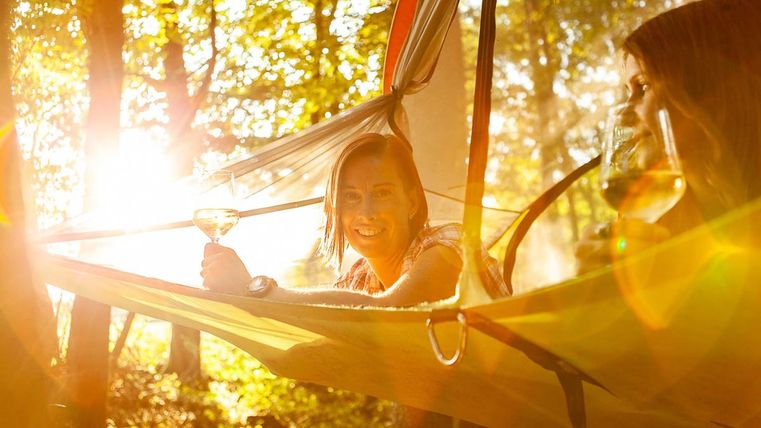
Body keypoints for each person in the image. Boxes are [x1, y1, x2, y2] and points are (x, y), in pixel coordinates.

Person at [201, 132, 509, 306]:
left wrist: (254, 289)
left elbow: (388, 311)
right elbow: (321, 324)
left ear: (412, 201)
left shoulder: (450, 247)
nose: (366, 213)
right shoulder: (360, 278)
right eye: (350, 196)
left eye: (382, 193)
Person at [576, 0, 761, 273]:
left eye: (643, 86)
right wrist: (597, 293)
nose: (627, 112)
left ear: (708, 90)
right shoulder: (667, 225)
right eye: (627, 92)